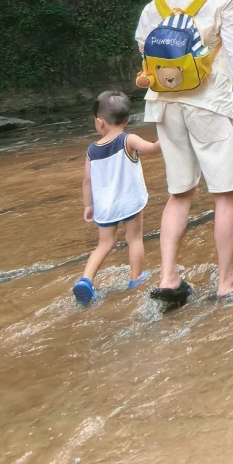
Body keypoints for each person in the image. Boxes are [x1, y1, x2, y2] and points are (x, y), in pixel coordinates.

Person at [134, 0, 233, 307]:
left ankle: (169, 277)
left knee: (179, 193)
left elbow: (146, 50)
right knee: (224, 194)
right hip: (211, 104)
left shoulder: (153, 6)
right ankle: (225, 282)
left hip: (165, 107)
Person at [72, 90, 163, 305]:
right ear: (127, 120)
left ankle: (86, 280)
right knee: (134, 239)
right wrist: (169, 136)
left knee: (104, 244)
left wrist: (88, 205)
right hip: (130, 202)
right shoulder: (128, 139)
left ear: (100, 122)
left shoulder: (91, 150)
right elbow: (152, 148)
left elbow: (87, 180)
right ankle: (136, 278)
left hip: (105, 207)